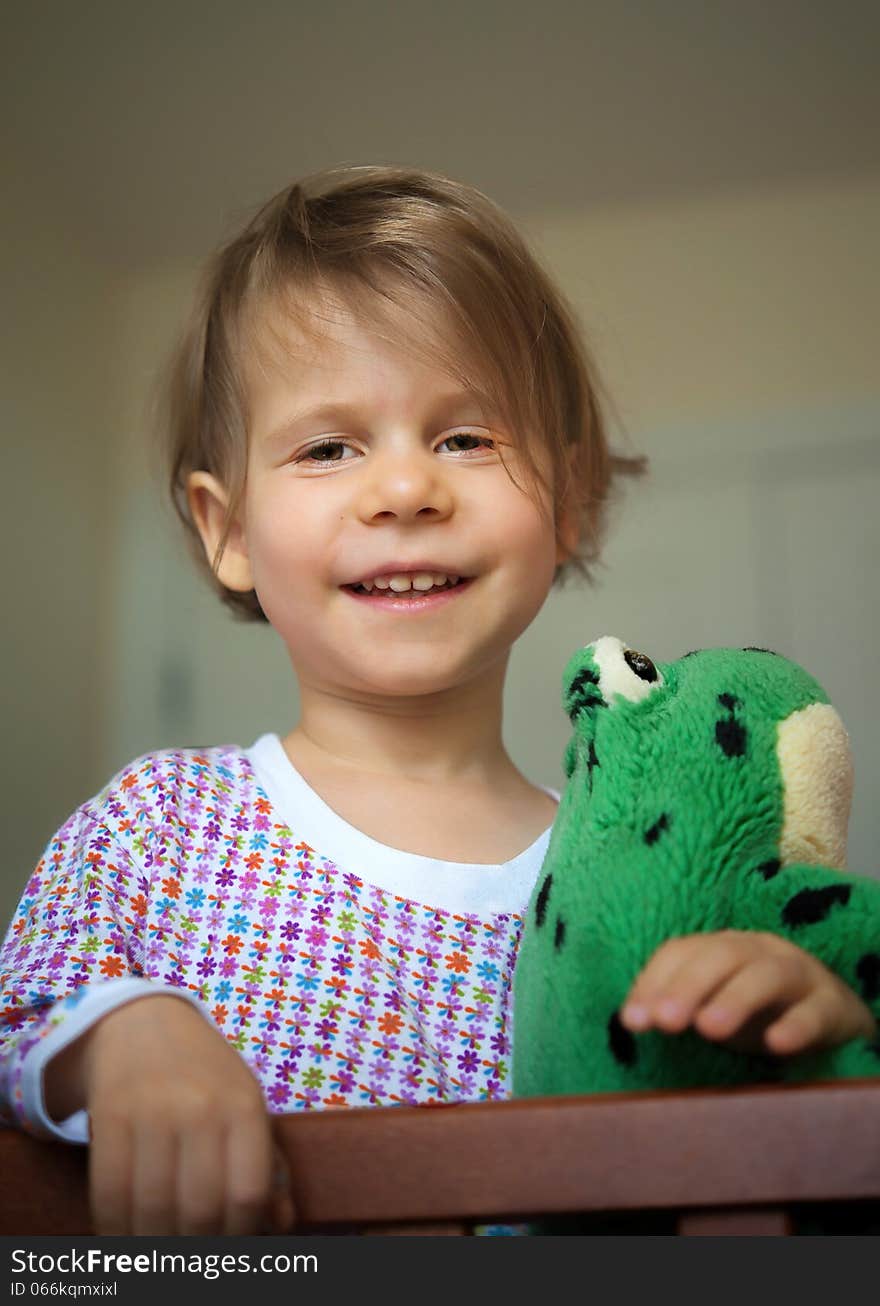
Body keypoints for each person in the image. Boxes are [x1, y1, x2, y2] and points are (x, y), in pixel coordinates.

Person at [1, 166, 874, 1237]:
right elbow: (22, 1007)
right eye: (328, 447)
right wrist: (124, 1033)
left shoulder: (637, 865)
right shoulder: (158, 828)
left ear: (569, 499)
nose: (406, 489)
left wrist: (811, 1048)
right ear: (225, 529)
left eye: (465, 437)